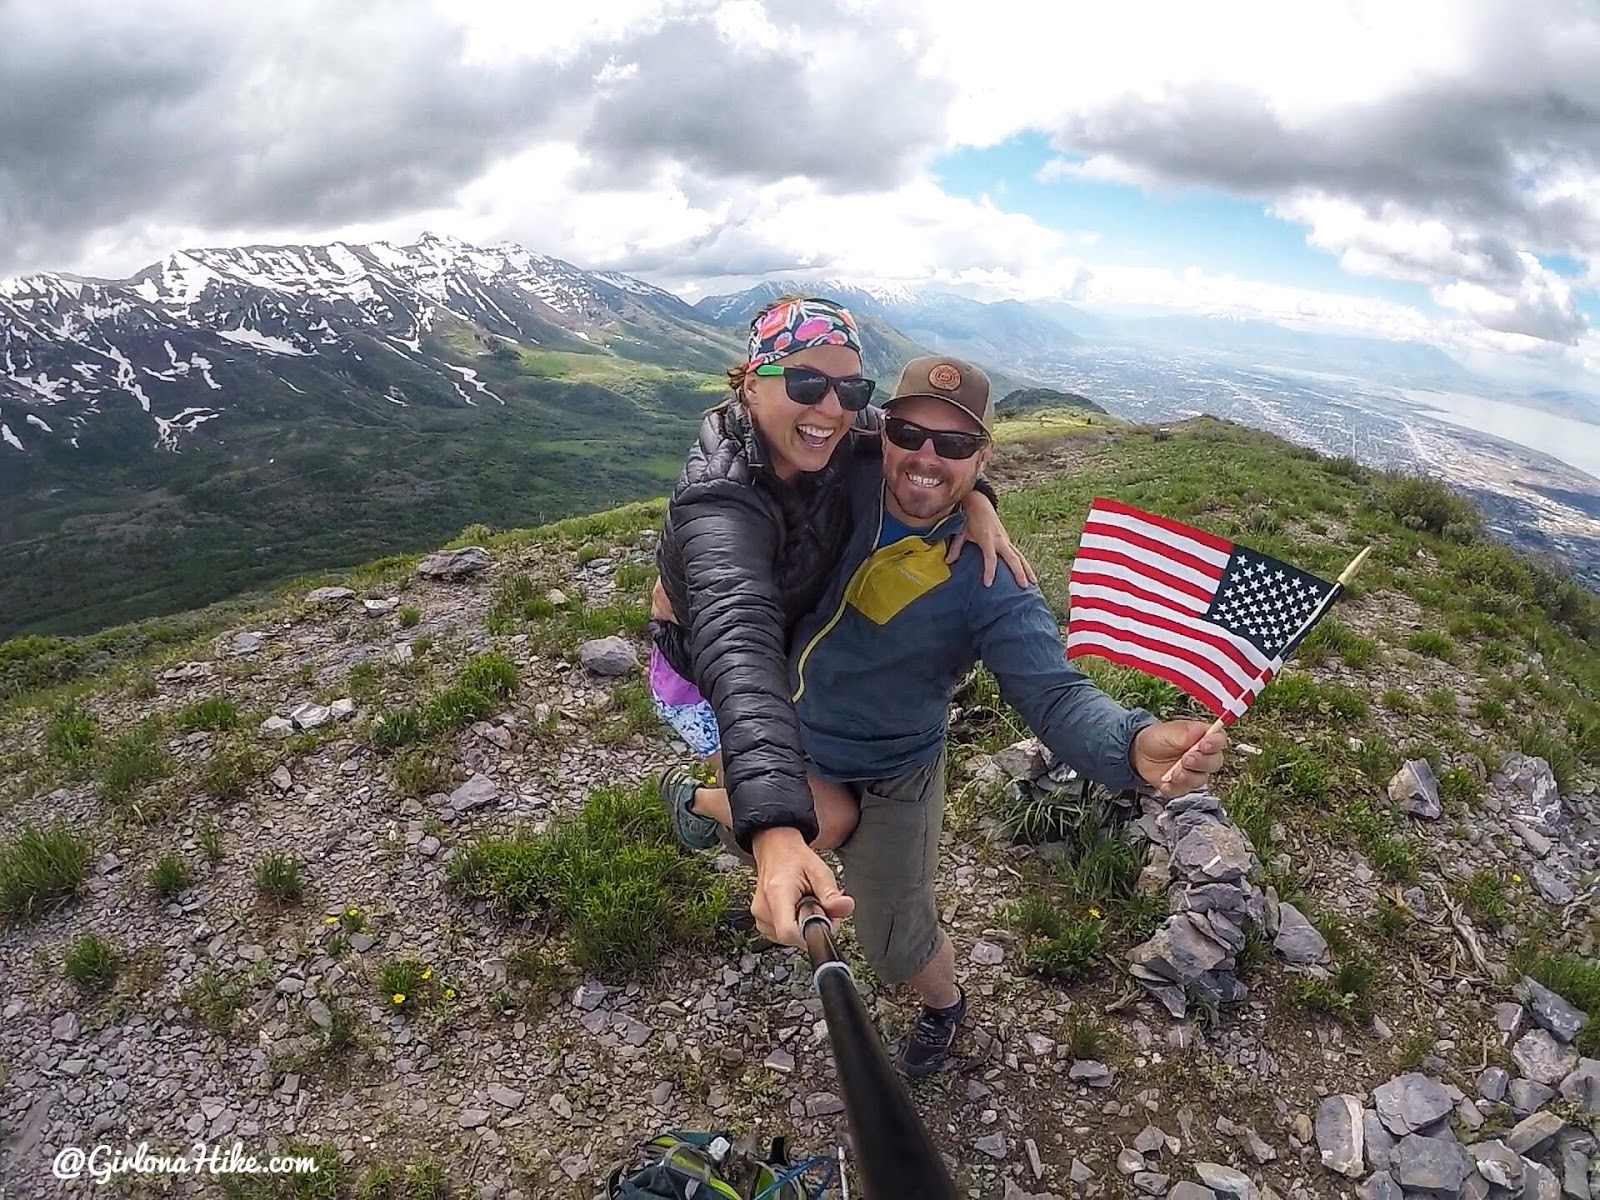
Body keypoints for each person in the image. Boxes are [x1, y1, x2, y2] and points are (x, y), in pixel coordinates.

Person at [674, 354, 1228, 1077]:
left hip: (894, 767)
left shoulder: (991, 579)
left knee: (899, 944)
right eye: (911, 433)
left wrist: (1132, 744)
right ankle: (695, 800)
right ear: (882, 432)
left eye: (957, 445)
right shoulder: (838, 476)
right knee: (800, 830)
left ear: (982, 455)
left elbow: (1055, 693)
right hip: (787, 734)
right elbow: (754, 442)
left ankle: (944, 1008)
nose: (927, 457)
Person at [647, 298, 1035, 935]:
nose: (830, 408)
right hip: (705, 673)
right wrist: (774, 830)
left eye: (850, 387)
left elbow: (930, 451)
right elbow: (738, 647)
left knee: (806, 795)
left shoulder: (851, 426)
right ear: (752, 380)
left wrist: (979, 503)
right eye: (804, 382)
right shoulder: (719, 495)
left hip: (787, 648)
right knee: (827, 813)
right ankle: (704, 806)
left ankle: (763, 840)